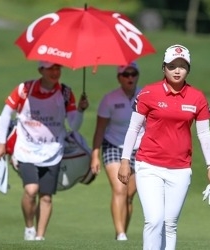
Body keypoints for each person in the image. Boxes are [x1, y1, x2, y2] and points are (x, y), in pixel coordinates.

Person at [118, 44, 210, 250]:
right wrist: (124, 160)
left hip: (180, 168)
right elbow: (133, 128)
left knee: (170, 224)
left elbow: (204, 133)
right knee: (154, 220)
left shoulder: (197, 97)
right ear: (163, 67)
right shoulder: (149, 93)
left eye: (182, 66)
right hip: (149, 165)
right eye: (172, 65)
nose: (177, 70)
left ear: (188, 69)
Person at [0, 61, 89, 241]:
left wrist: (81, 111)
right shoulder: (25, 89)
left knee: (46, 197)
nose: (55, 72)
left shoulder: (65, 93)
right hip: (25, 149)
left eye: (58, 68)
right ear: (40, 70)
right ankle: (29, 227)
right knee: (31, 190)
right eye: (50, 68)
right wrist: (1, 143)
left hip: (52, 151)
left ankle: (39, 237)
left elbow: (74, 125)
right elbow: (7, 113)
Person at [90, 62, 144, 241]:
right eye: (125, 74)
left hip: (139, 149)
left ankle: (121, 233)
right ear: (119, 78)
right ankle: (121, 234)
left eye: (133, 73)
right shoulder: (109, 99)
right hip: (114, 147)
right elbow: (99, 129)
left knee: (129, 195)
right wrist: (95, 155)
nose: (130, 77)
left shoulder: (146, 96)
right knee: (120, 189)